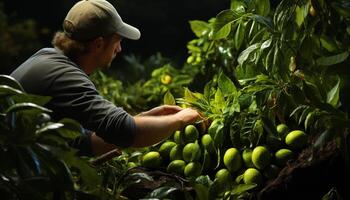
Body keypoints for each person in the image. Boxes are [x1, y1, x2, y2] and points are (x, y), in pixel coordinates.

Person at [10, 0, 200, 156]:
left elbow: (82, 144)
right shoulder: (66, 77)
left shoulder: (47, 56)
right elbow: (125, 132)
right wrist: (181, 119)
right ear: (99, 44)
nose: (119, 49)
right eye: (117, 41)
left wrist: (140, 119)